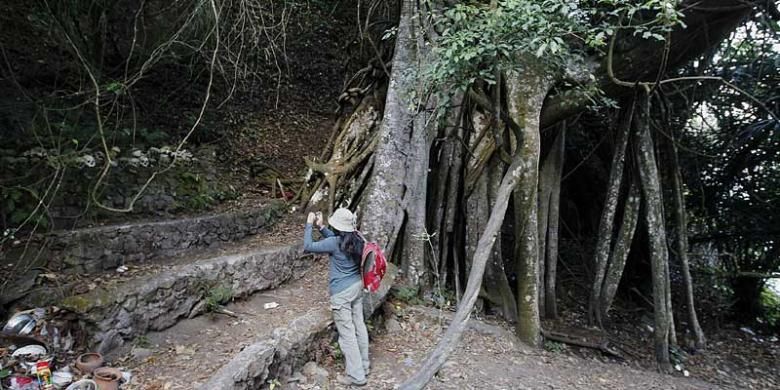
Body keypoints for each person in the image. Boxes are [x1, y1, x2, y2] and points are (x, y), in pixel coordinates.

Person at [303, 208, 370, 387]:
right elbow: (338, 239)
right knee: (359, 326)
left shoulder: (335, 243)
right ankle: (364, 366)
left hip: (342, 293)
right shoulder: (358, 239)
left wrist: (309, 225)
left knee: (347, 335)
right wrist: (322, 227)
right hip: (357, 286)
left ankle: (356, 377)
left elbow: (308, 246)